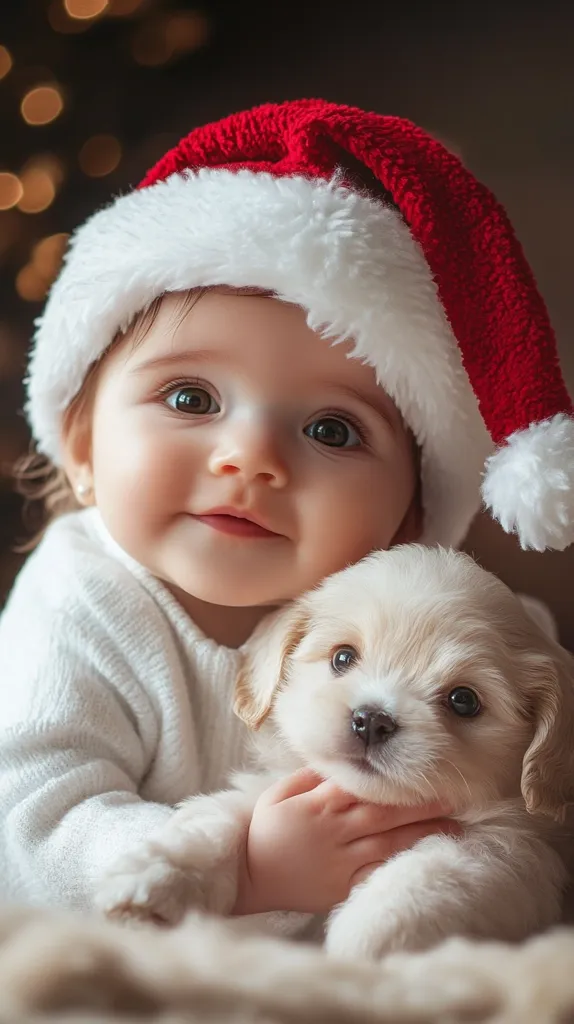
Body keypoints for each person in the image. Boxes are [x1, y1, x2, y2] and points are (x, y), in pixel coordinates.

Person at [0, 99, 572, 920]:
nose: (251, 457)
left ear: (410, 520)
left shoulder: (455, 629)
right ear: (82, 448)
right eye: (190, 396)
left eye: (332, 429)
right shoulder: (81, 602)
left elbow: (534, 802)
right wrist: (252, 871)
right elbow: (24, 826)